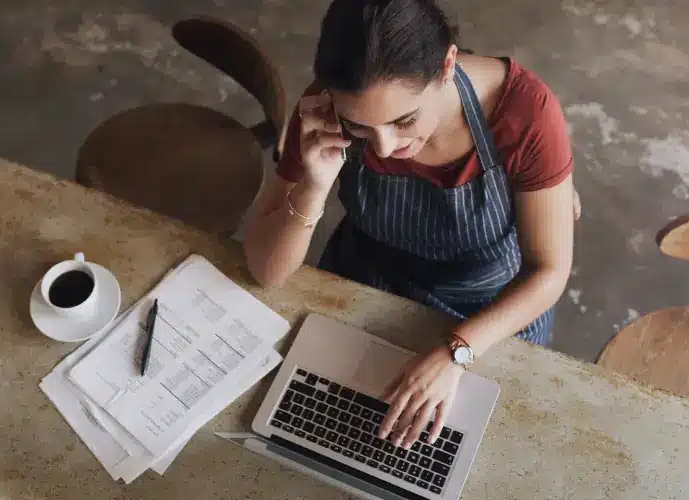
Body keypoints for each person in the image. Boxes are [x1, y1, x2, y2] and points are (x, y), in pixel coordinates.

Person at [243, 0, 575, 452]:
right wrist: (312, 188)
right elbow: (267, 271)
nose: (384, 146)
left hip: (487, 309)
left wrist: (456, 352)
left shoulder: (525, 113)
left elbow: (549, 272)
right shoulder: (324, 106)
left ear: (447, 66)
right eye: (359, 127)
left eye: (405, 120)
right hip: (368, 280)